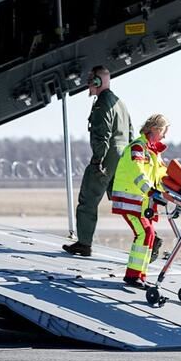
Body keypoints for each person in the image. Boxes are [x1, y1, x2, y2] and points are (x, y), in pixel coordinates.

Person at [63, 66, 133, 257]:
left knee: (88, 199)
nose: (88, 85)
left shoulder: (103, 103)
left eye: (90, 81)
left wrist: (97, 160)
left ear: (97, 81)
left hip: (107, 156)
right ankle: (149, 235)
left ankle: (84, 244)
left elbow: (102, 134)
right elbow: (130, 132)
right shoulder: (120, 103)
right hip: (122, 156)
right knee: (123, 201)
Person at [109, 114, 169, 288]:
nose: (165, 136)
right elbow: (137, 172)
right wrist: (150, 191)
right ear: (155, 129)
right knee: (145, 233)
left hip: (141, 203)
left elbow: (161, 176)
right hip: (130, 200)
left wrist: (172, 190)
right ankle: (133, 276)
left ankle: (140, 275)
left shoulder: (153, 153)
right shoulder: (138, 148)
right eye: (163, 131)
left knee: (149, 235)